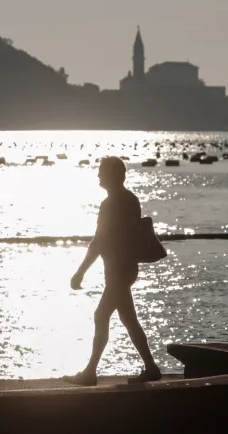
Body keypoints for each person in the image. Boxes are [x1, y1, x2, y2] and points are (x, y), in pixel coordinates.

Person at [62, 156, 162, 386]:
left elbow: (99, 240)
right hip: (123, 269)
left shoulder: (113, 203)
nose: (98, 176)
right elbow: (105, 239)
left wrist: (80, 272)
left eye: (101, 172)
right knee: (129, 320)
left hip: (119, 269)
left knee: (101, 315)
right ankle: (151, 367)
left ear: (113, 175)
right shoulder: (129, 200)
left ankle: (89, 373)